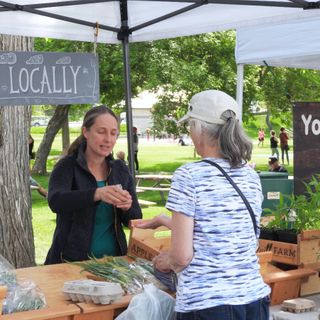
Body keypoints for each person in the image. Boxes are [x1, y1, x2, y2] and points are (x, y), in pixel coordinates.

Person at [135, 90, 270, 320]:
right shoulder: (250, 176)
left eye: (190, 126)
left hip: (207, 306)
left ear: (199, 129)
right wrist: (163, 221)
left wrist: (166, 260)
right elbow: (230, 231)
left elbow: (181, 257)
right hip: (254, 300)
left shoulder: (188, 176)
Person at [45, 105, 142, 265]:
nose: (108, 139)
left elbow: (134, 218)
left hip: (115, 263)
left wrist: (126, 206)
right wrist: (97, 194)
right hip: (70, 263)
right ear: (86, 132)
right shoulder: (67, 166)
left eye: (113, 133)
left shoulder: (120, 169)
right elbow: (56, 201)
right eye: (101, 131)